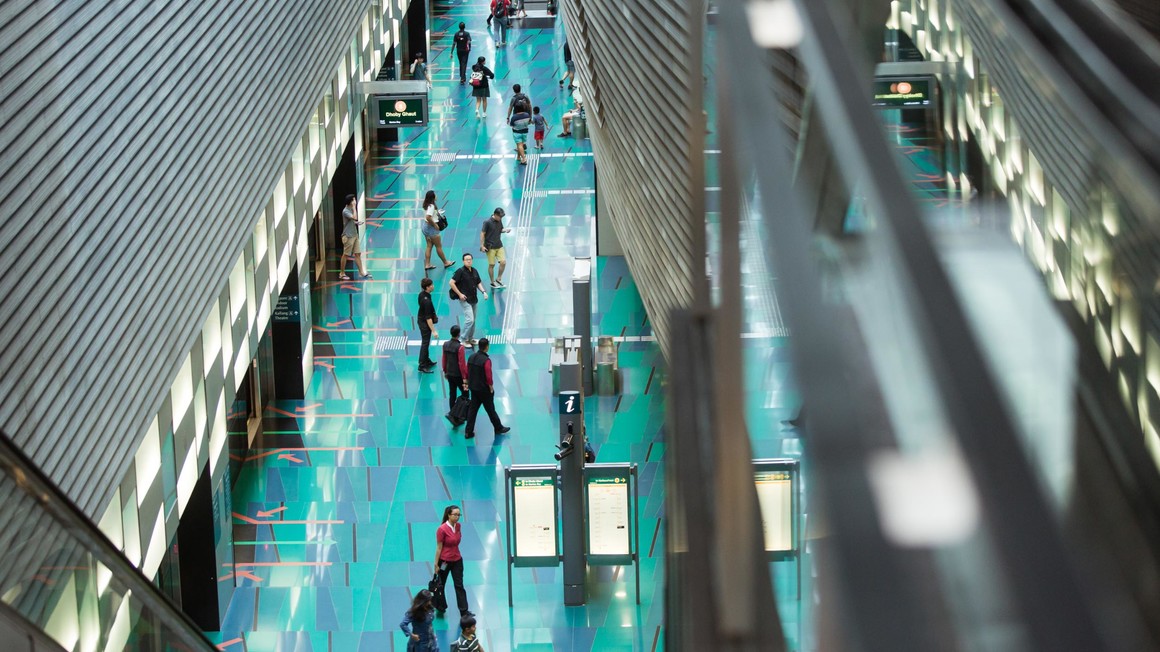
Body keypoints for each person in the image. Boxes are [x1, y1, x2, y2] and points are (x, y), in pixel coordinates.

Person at [433, 505, 474, 617]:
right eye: (455, 515)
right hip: (444, 562)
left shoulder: (458, 526)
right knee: (441, 584)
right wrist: (436, 564)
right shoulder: (441, 529)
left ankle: (464, 611)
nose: (457, 517)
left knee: (459, 585)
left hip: (457, 561)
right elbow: (439, 548)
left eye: (459, 515)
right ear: (448, 515)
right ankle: (440, 606)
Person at [466, 339, 510, 439]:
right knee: (490, 409)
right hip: (484, 390)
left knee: (473, 410)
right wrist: (490, 387)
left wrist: (468, 383)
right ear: (487, 347)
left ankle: (468, 431)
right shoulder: (486, 360)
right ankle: (498, 428)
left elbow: (467, 371)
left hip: (474, 388)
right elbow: (488, 375)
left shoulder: (471, 357)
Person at [449, 253, 488, 347]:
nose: (469, 261)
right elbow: (451, 283)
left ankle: (470, 338)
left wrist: (483, 292)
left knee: (473, 320)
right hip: (465, 299)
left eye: (470, 259)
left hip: (474, 298)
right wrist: (460, 294)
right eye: (466, 259)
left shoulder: (474, 271)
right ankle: (463, 339)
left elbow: (478, 282)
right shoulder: (460, 271)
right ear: (463, 261)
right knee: (470, 320)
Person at [340, 194, 372, 280]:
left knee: (358, 254)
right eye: (353, 200)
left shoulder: (350, 209)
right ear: (350, 202)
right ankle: (342, 273)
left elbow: (351, 221)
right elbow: (355, 217)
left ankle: (362, 272)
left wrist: (356, 223)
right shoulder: (346, 211)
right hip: (348, 236)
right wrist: (354, 207)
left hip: (354, 235)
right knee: (346, 254)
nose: (355, 201)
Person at [421, 190, 454, 270]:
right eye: (435, 195)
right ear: (433, 197)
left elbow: (429, 215)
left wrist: (436, 213)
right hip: (431, 228)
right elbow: (428, 217)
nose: (436, 196)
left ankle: (427, 264)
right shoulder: (431, 206)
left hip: (425, 227)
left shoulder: (426, 204)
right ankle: (446, 262)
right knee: (438, 246)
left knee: (429, 246)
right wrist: (435, 224)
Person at [480, 208, 511, 287]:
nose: (501, 218)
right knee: (492, 265)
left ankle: (499, 278)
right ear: (495, 215)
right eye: (500, 217)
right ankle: (492, 281)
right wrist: (482, 245)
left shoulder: (499, 220)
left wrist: (505, 230)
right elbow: (482, 233)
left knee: (503, 262)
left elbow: (500, 229)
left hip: (499, 245)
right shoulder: (487, 222)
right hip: (490, 247)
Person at [442, 325, 469, 417]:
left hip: (449, 374)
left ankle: (452, 413)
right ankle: (462, 413)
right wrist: (465, 377)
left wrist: (445, 371)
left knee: (452, 393)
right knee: (465, 392)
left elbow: (444, 359)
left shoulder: (445, 344)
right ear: (459, 334)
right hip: (459, 376)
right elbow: (462, 364)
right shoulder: (460, 348)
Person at [417, 278, 438, 374]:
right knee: (425, 343)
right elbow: (428, 318)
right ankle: (422, 365)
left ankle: (426, 360)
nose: (433, 286)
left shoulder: (422, 295)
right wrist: (434, 331)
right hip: (424, 323)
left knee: (426, 342)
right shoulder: (427, 301)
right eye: (431, 285)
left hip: (421, 319)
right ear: (427, 287)